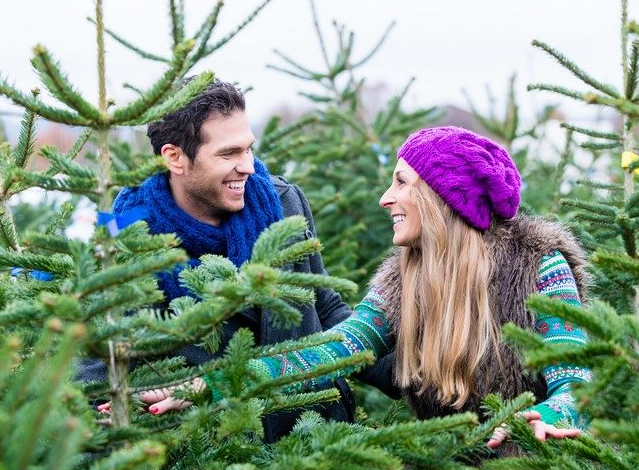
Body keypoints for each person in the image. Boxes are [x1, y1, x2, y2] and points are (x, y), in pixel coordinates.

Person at [137, 126, 592, 452]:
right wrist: (211, 386)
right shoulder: (402, 278)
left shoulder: (537, 266)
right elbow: (335, 348)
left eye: (401, 182)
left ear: (441, 197)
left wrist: (557, 413)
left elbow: (575, 378)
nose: (385, 198)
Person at [83, 79, 396, 443]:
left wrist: (420, 386)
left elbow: (325, 307)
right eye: (228, 154)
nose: (247, 166)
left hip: (320, 436)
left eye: (249, 149)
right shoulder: (124, 234)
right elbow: (93, 354)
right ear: (175, 157)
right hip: (220, 459)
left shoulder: (284, 202)